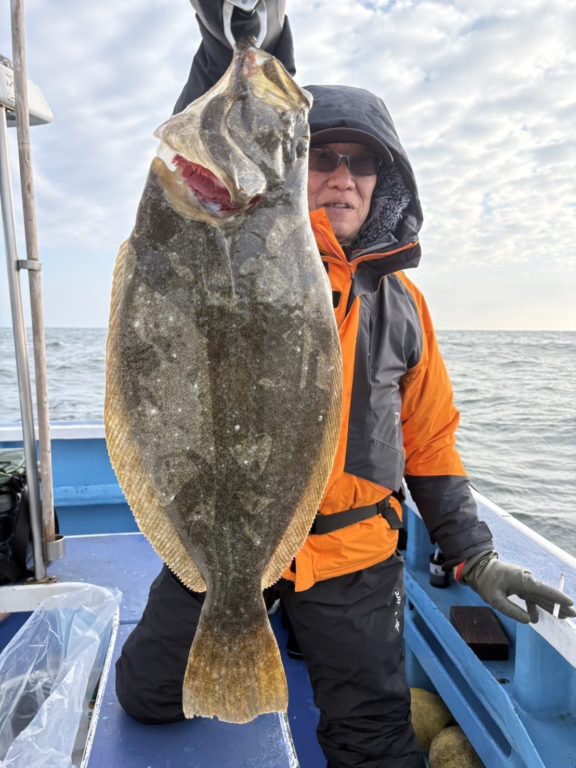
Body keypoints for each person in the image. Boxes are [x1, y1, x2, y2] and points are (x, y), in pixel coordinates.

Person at [115, 3, 576, 767]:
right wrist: (239, 43)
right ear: (293, 167)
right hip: (227, 537)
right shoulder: (243, 245)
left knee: (375, 746)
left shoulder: (405, 309)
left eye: (362, 163)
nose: (342, 176)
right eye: (322, 155)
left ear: (383, 183)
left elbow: (431, 444)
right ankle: (260, 615)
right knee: (147, 697)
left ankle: (307, 639)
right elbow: (223, 147)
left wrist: (476, 558)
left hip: (351, 557)